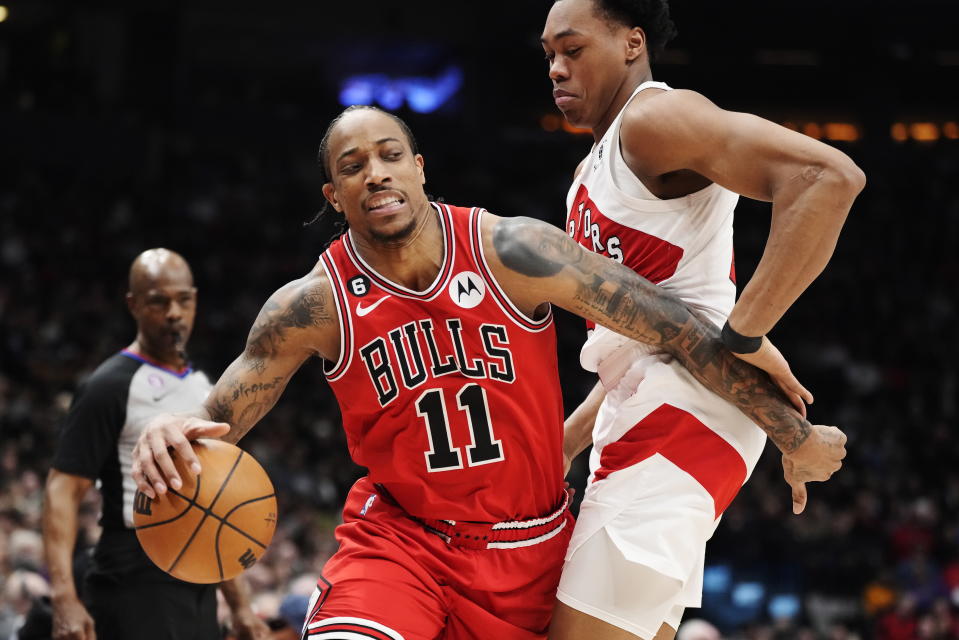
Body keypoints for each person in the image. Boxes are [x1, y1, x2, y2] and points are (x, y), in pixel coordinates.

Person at [130, 106, 845, 640]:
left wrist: (791, 433)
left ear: (418, 169)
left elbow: (680, 331)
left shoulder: (514, 250)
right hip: (402, 542)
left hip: (528, 549)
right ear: (334, 197)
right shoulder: (310, 306)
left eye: (388, 155)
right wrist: (170, 423)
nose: (373, 171)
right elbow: (217, 419)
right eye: (352, 167)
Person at [540, 1, 866, 638]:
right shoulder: (594, 167)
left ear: (632, 43)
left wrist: (744, 330)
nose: (556, 68)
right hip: (657, 403)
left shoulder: (654, 118)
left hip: (682, 410)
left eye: (573, 50)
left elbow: (827, 176)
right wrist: (561, 448)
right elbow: (629, 345)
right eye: (548, 54)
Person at [41, 248, 268, 640]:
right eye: (159, 302)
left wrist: (240, 605)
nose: (174, 313)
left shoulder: (205, 389)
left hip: (199, 569)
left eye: (183, 299)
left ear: (195, 300)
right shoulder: (109, 385)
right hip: (133, 570)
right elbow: (63, 489)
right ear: (133, 305)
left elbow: (220, 502)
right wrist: (64, 596)